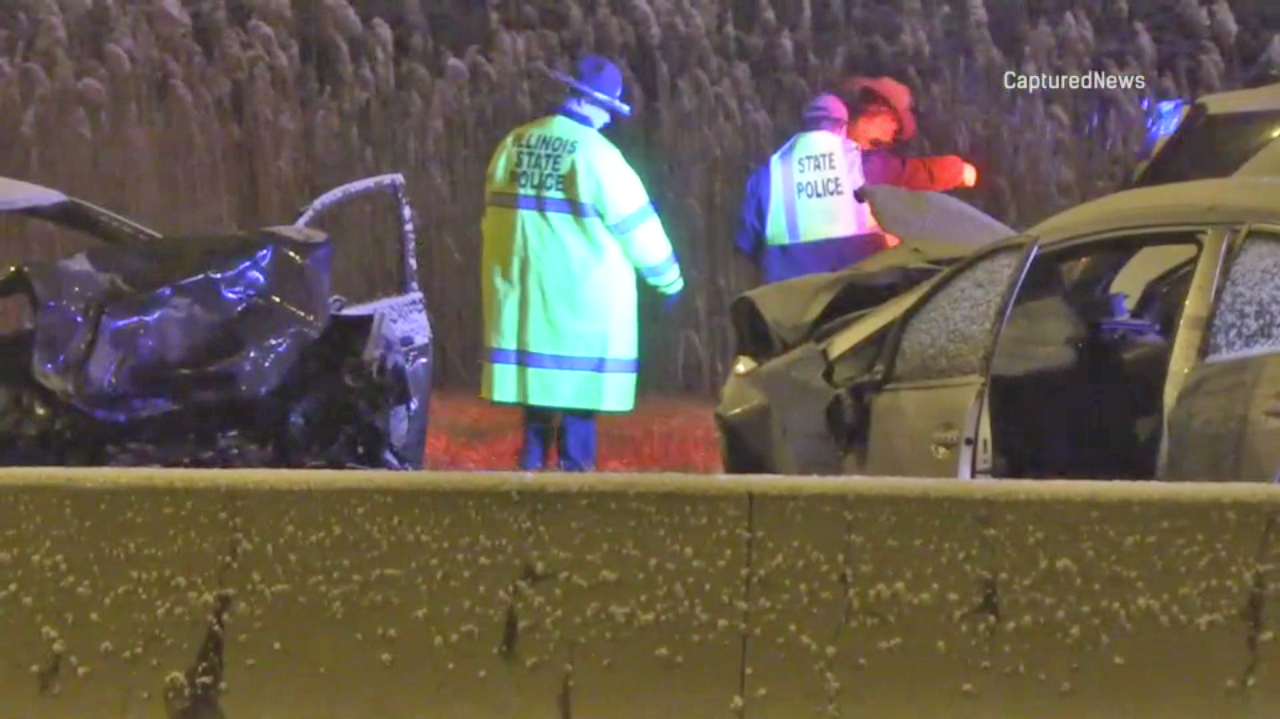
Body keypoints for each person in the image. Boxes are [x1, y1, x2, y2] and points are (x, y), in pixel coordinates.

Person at [479, 55, 684, 472]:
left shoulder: (513, 143)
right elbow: (638, 228)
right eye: (608, 110)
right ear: (593, 104)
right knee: (577, 415)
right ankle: (577, 496)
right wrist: (670, 282)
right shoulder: (598, 156)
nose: (608, 121)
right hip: (578, 314)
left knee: (535, 419)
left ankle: (525, 495)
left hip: (522, 308)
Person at [734, 93, 884, 284]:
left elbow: (746, 241)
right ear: (842, 128)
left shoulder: (771, 171)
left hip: (793, 294)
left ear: (804, 128)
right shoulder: (860, 162)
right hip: (859, 287)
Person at [840, 76, 978, 193]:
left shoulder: (828, 123)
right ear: (878, 109)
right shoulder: (864, 162)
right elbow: (905, 173)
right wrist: (957, 171)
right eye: (895, 122)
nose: (893, 134)